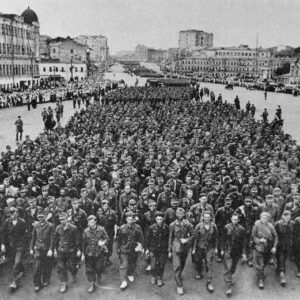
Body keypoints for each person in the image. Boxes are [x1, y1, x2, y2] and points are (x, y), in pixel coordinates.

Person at [169, 207, 194, 295]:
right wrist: (169, 250)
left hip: (184, 248)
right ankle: (179, 285)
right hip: (175, 247)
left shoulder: (188, 224)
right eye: (178, 213)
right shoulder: (172, 224)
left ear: (184, 214)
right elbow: (170, 238)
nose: (180, 215)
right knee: (177, 266)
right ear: (176, 214)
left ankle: (178, 275)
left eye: (181, 213)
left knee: (182, 264)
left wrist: (187, 240)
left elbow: (193, 235)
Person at [54, 212, 81, 293]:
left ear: (67, 219)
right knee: (61, 267)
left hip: (71, 250)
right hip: (61, 250)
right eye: (60, 220)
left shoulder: (73, 228)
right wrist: (55, 250)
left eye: (63, 219)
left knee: (71, 266)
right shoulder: (58, 228)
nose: (62, 221)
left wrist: (79, 250)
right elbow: (56, 240)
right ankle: (63, 283)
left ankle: (74, 274)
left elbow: (77, 240)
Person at [1, 206, 26, 291]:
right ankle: (22, 269)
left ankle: (14, 282)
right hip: (11, 246)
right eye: (11, 213)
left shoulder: (22, 222)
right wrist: (3, 244)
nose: (12, 214)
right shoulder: (7, 222)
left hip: (20, 245)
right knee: (16, 261)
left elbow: (25, 235)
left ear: (17, 213)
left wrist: (23, 244)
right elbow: (3, 234)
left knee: (16, 263)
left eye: (14, 212)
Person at [117, 211, 144, 290]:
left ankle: (130, 274)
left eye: (131, 219)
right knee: (124, 265)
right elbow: (119, 239)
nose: (130, 221)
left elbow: (141, 238)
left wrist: (141, 246)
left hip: (134, 249)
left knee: (133, 263)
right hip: (124, 249)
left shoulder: (137, 227)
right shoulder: (122, 228)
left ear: (133, 220)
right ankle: (123, 281)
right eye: (128, 219)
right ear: (126, 219)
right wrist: (118, 249)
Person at [192, 210, 218, 293]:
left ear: (210, 218)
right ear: (203, 217)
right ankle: (199, 271)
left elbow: (216, 238)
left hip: (209, 248)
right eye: (205, 217)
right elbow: (195, 238)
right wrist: (193, 249)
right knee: (198, 261)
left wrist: (216, 248)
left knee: (209, 264)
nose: (207, 218)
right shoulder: (199, 226)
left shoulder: (213, 226)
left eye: (208, 217)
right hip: (200, 247)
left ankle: (209, 282)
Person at [81, 215, 108, 293]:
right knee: (89, 269)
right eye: (89, 222)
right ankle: (91, 284)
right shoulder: (86, 231)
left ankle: (99, 273)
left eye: (92, 222)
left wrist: (103, 242)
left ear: (95, 222)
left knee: (99, 267)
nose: (90, 224)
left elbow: (107, 238)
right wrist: (83, 254)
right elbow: (83, 243)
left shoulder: (101, 229)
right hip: (89, 253)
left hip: (99, 252)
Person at [251, 212, 278, 289]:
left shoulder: (270, 226)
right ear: (260, 218)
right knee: (261, 264)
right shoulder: (256, 225)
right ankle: (260, 280)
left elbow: (275, 236)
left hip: (268, 248)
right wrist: (259, 240)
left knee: (265, 263)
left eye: (266, 218)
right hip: (259, 247)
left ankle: (260, 273)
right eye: (263, 218)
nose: (264, 219)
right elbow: (253, 236)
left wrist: (274, 247)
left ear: (268, 219)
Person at [30, 208, 54, 292]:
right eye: (39, 217)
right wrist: (31, 248)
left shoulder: (50, 225)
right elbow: (33, 237)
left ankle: (46, 280)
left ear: (45, 216)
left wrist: (51, 249)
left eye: (42, 216)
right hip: (38, 248)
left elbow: (52, 239)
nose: (40, 218)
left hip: (46, 249)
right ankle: (37, 284)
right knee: (37, 266)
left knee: (47, 265)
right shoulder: (36, 225)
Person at [222, 213, 246, 296]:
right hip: (228, 251)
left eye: (236, 219)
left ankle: (229, 277)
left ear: (238, 220)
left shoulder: (242, 229)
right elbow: (222, 239)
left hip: (237, 252)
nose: (234, 221)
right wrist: (221, 249)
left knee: (233, 268)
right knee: (228, 267)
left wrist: (243, 253)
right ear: (231, 219)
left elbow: (243, 242)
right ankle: (228, 286)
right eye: (233, 219)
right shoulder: (226, 227)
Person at [145, 211, 169, 287]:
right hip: (153, 249)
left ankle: (159, 278)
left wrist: (168, 249)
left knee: (161, 265)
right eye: (157, 219)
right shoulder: (151, 227)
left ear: (163, 219)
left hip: (163, 250)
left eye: (160, 219)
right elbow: (148, 239)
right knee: (153, 265)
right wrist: (147, 249)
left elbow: (168, 239)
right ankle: (153, 276)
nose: (159, 221)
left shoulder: (166, 227)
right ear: (155, 219)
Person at [275, 210, 294, 286]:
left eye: (288, 216)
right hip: (280, 245)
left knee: (284, 259)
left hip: (288, 245)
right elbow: (274, 235)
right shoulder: (277, 224)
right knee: (281, 259)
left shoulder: (292, 224)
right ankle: (282, 276)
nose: (287, 217)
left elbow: (294, 233)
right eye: (285, 216)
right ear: (282, 216)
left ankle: (278, 269)